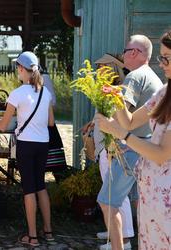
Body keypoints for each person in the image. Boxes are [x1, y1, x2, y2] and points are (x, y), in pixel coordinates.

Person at [95, 30, 171, 250]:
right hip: (153, 196)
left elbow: (162, 152)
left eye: (167, 57)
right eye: (161, 57)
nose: (162, 63)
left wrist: (121, 135)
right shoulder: (164, 93)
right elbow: (129, 121)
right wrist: (116, 97)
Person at [0, 51, 55, 246]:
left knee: (28, 190)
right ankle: (48, 231)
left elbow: (2, 126)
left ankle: (33, 236)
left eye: (17, 68)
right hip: (43, 144)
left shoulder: (17, 94)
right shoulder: (46, 92)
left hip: (26, 145)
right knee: (40, 186)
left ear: (21, 69)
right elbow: (51, 122)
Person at [88, 53, 135, 250]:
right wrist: (89, 125)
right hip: (104, 148)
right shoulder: (106, 92)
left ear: (112, 70)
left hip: (112, 149)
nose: (99, 72)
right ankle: (113, 232)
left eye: (102, 68)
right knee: (110, 193)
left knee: (116, 195)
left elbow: (122, 121)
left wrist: (112, 146)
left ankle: (124, 240)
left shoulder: (120, 91)